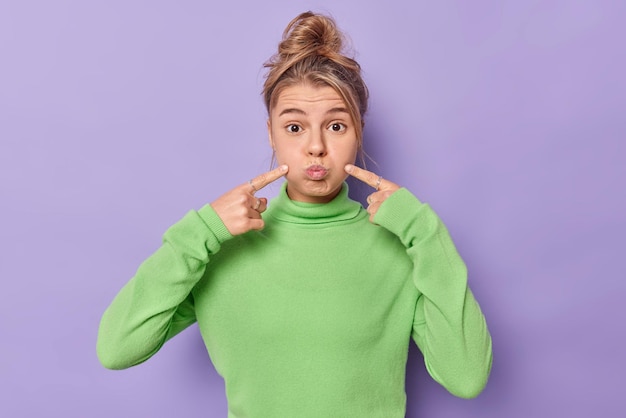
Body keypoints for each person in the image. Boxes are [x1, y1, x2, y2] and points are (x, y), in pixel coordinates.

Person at [97, 11, 493, 417]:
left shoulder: (401, 247)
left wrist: (424, 232)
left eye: (336, 126)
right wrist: (202, 230)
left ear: (359, 130)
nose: (316, 147)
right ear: (271, 132)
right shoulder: (220, 248)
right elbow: (117, 348)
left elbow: (466, 377)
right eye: (294, 127)